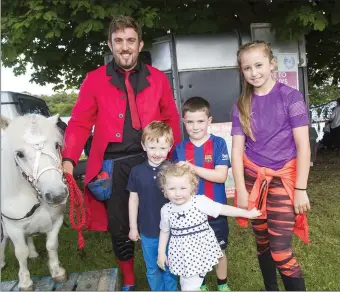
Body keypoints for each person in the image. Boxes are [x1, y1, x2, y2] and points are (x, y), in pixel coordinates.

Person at [62, 15, 181, 291]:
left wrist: (172, 158)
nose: (124, 47)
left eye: (130, 40)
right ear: (110, 44)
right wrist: (68, 160)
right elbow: (79, 122)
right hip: (112, 166)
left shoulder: (158, 79)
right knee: (119, 226)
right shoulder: (94, 80)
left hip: (152, 160)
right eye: (118, 41)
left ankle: (168, 273)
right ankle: (129, 280)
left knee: (161, 218)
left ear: (140, 45)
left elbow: (171, 119)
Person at [231, 41, 311, 291]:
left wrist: (301, 188)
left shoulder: (291, 97)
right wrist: (241, 191)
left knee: (280, 251)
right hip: (253, 181)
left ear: (271, 63)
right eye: (247, 68)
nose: (254, 72)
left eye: (259, 65)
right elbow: (236, 151)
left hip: (283, 180)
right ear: (241, 71)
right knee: (263, 243)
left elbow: (303, 147)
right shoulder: (240, 105)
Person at [157, 163, 261, 291]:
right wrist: (161, 253)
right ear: (164, 190)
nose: (178, 193)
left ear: (192, 188)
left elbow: (223, 209)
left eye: (183, 188)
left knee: (190, 287)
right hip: (182, 254)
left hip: (200, 251)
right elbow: (164, 231)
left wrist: (247, 213)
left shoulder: (199, 202)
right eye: (172, 189)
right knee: (186, 282)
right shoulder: (166, 210)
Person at [172, 96, 232, 291]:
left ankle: (223, 285)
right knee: (195, 252)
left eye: (200, 121)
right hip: (190, 214)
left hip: (215, 210)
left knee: (219, 250)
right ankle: (201, 284)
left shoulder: (219, 144)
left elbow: (220, 176)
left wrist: (191, 167)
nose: (195, 126)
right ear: (184, 122)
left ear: (209, 121)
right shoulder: (179, 149)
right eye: (190, 122)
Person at [127, 121, 178, 291]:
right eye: (152, 148)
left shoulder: (173, 170)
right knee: (153, 268)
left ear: (170, 147)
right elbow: (133, 200)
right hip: (148, 230)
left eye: (163, 148)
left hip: (172, 230)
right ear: (143, 146)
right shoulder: (137, 172)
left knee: (170, 266)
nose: (157, 153)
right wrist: (133, 228)